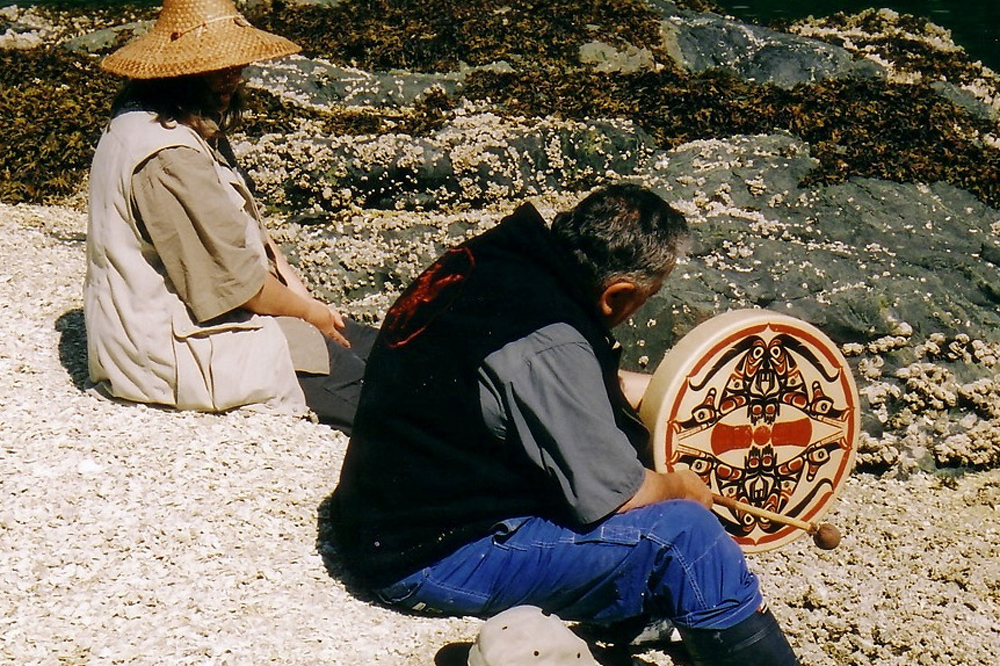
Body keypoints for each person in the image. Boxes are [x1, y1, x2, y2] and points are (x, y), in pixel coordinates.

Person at [329, 184, 800, 665]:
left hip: (383, 514)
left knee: (634, 464)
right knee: (688, 536)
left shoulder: (504, 259)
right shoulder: (549, 341)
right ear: (618, 295)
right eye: (648, 298)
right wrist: (681, 485)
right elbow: (617, 495)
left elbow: (550, 381)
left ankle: (643, 607)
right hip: (428, 558)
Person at [85, 0, 376, 433]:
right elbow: (235, 286)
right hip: (178, 350)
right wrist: (308, 315)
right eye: (217, 67)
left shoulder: (175, 122)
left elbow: (249, 238)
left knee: (391, 347)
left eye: (235, 64)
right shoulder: (168, 156)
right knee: (381, 393)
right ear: (179, 71)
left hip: (218, 315)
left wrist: (305, 299)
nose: (233, 76)